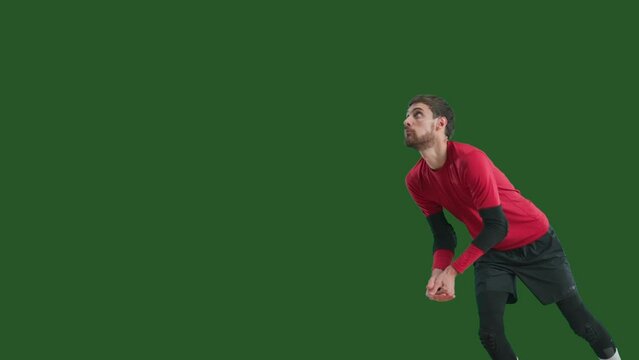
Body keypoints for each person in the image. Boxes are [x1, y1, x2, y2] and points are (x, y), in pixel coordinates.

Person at [403, 95, 621, 360]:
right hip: (491, 251)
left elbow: (497, 225)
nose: (406, 121)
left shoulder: (471, 160)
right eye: (407, 115)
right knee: (490, 334)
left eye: (417, 114)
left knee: (580, 322)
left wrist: (454, 270)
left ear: (440, 123)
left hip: (536, 241)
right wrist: (438, 272)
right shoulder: (416, 180)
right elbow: (443, 234)